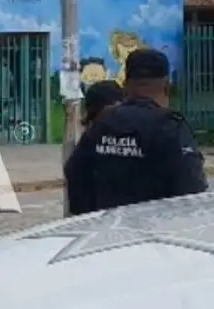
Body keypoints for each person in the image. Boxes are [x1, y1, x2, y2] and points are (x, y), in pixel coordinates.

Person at [64, 49, 208, 217]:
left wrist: (91, 215)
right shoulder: (170, 127)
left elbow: (74, 170)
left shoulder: (103, 121)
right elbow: (192, 188)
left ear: (125, 85)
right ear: (167, 87)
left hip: (108, 232)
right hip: (152, 234)